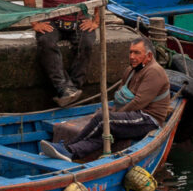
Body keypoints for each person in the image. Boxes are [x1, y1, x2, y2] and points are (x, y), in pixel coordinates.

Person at [40, 34, 171, 161]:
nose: (132, 56)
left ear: (148, 56)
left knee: (103, 119)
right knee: (103, 134)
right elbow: (120, 97)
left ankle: (66, 147)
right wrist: (113, 111)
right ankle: (71, 153)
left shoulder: (154, 71)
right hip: (133, 115)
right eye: (130, 52)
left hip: (147, 119)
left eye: (137, 53)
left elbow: (138, 102)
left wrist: (112, 115)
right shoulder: (130, 70)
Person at [23, 0, 107, 105]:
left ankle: (73, 88)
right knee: (46, 42)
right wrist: (35, 22)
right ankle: (63, 87)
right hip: (53, 21)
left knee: (87, 43)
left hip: (79, 19)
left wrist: (96, 21)